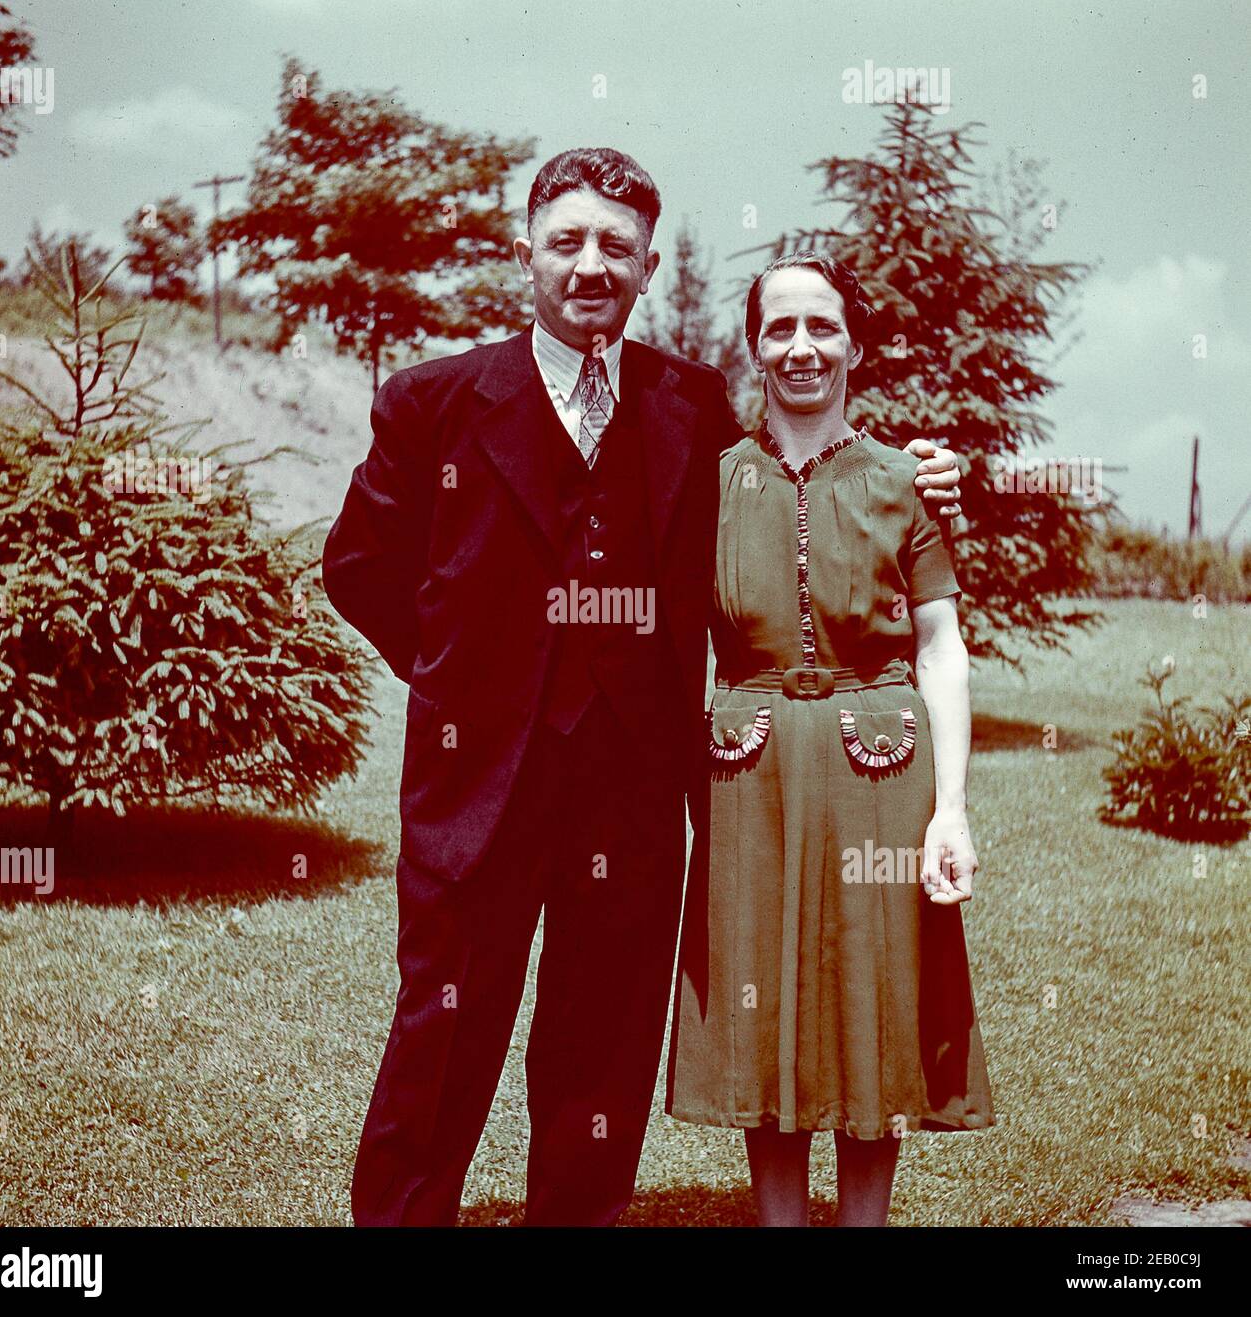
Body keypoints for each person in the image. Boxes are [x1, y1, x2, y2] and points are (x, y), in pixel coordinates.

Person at [322, 150, 962, 1227]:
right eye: (566, 241)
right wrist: (455, 678)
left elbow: (789, 493)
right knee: (447, 1019)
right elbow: (358, 568)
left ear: (648, 265)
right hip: (475, 781)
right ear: (522, 252)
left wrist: (914, 472)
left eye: (615, 247)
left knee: (602, 1033)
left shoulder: (689, 403)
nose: (589, 266)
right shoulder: (433, 399)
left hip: (631, 783)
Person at [665, 252, 995, 1227]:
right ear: (753, 346)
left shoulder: (904, 479)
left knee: (870, 997)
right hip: (747, 771)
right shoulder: (709, 481)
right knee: (761, 1001)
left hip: (880, 764)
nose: (800, 347)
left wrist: (951, 810)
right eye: (779, 328)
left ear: (854, 343)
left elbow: (941, 645)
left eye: (821, 326)